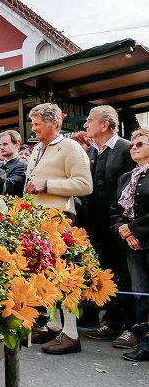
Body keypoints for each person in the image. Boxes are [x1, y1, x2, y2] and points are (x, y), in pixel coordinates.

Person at [24, 103, 93, 355]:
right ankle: (54, 325)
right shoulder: (37, 149)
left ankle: (72, 334)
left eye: (37, 124)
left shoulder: (71, 147)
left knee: (65, 277)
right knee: (47, 275)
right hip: (37, 220)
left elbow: (85, 185)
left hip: (60, 219)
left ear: (54, 123)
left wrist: (47, 185)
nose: (33, 128)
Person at [82, 105, 137, 347]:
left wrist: (125, 225)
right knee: (107, 274)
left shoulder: (126, 149)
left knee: (126, 276)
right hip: (96, 227)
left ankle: (131, 326)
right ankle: (112, 321)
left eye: (90, 120)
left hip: (120, 227)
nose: (86, 125)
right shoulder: (91, 152)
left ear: (105, 124)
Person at [110, 127, 149, 360]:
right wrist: (124, 232)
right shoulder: (126, 177)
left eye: (140, 144)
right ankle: (145, 342)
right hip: (132, 245)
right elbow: (114, 212)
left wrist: (133, 229)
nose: (133, 148)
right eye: (132, 145)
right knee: (140, 294)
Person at [0, 130, 27, 197]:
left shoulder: (23, 165)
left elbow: (8, 186)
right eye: (0, 144)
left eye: (5, 144)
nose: (1, 147)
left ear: (17, 145)